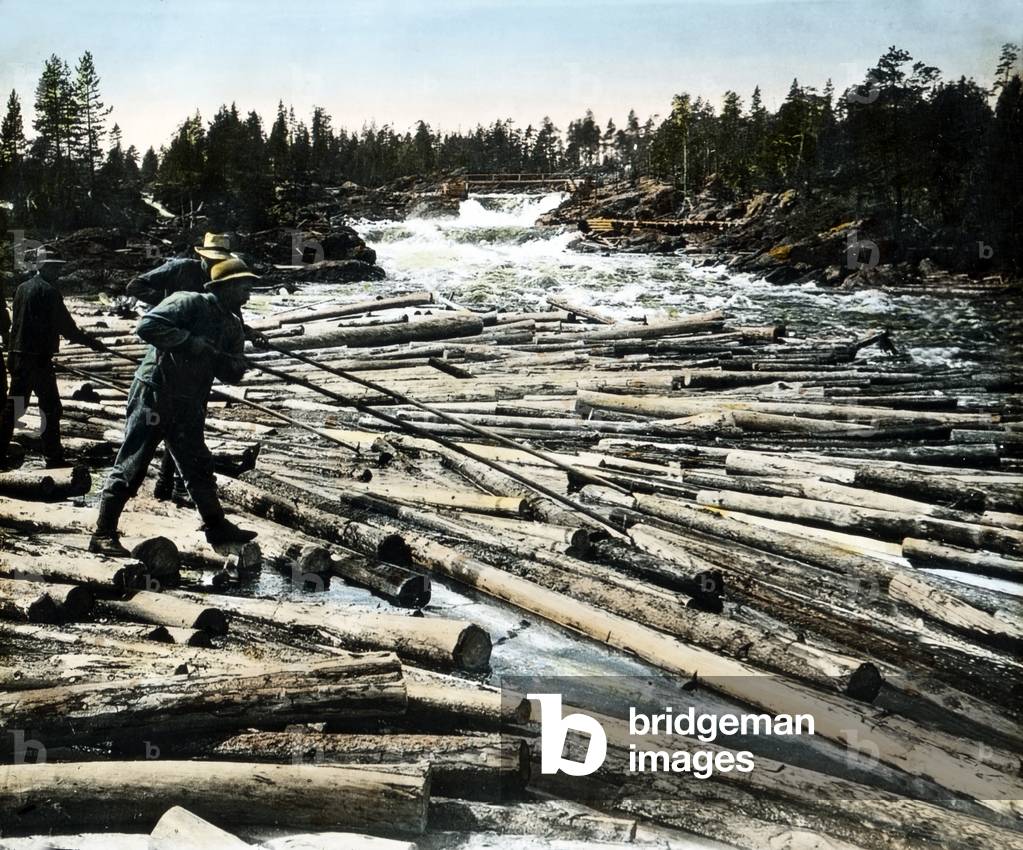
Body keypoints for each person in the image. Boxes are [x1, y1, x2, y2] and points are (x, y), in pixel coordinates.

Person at [90, 257, 259, 556]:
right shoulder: (188, 302)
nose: (248, 295)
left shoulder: (233, 325)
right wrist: (189, 342)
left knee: (197, 466)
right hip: (155, 394)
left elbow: (231, 375)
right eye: (244, 288)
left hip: (190, 401)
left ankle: (216, 526)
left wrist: (233, 364)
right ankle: (103, 533)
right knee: (133, 462)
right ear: (225, 287)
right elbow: (147, 326)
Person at [126, 232, 234, 504]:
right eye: (210, 259)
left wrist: (247, 333)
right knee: (156, 424)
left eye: (219, 260)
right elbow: (134, 285)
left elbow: (228, 314)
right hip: (171, 350)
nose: (214, 264)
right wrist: (167, 301)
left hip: (199, 364)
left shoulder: (222, 278)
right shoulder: (180, 268)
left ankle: (170, 485)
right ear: (201, 256)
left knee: (187, 427)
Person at [0, 254, 106, 469]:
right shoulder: (50, 292)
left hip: (18, 357)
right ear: (44, 267)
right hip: (38, 361)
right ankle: (53, 457)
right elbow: (67, 328)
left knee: (14, 408)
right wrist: (92, 343)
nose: (59, 272)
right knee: (51, 408)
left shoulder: (21, 288)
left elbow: (15, 324)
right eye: (56, 268)